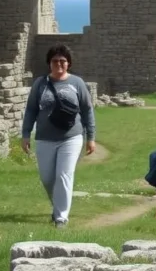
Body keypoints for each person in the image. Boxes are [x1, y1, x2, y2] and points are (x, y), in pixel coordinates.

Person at [20, 43, 96, 227]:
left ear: (68, 63)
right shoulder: (40, 84)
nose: (59, 64)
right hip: (45, 138)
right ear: (49, 63)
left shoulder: (77, 83)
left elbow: (87, 110)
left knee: (64, 175)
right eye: (55, 61)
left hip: (71, 137)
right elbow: (31, 110)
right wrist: (25, 134)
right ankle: (58, 207)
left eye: (63, 61)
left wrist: (91, 137)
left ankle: (61, 218)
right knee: (47, 178)